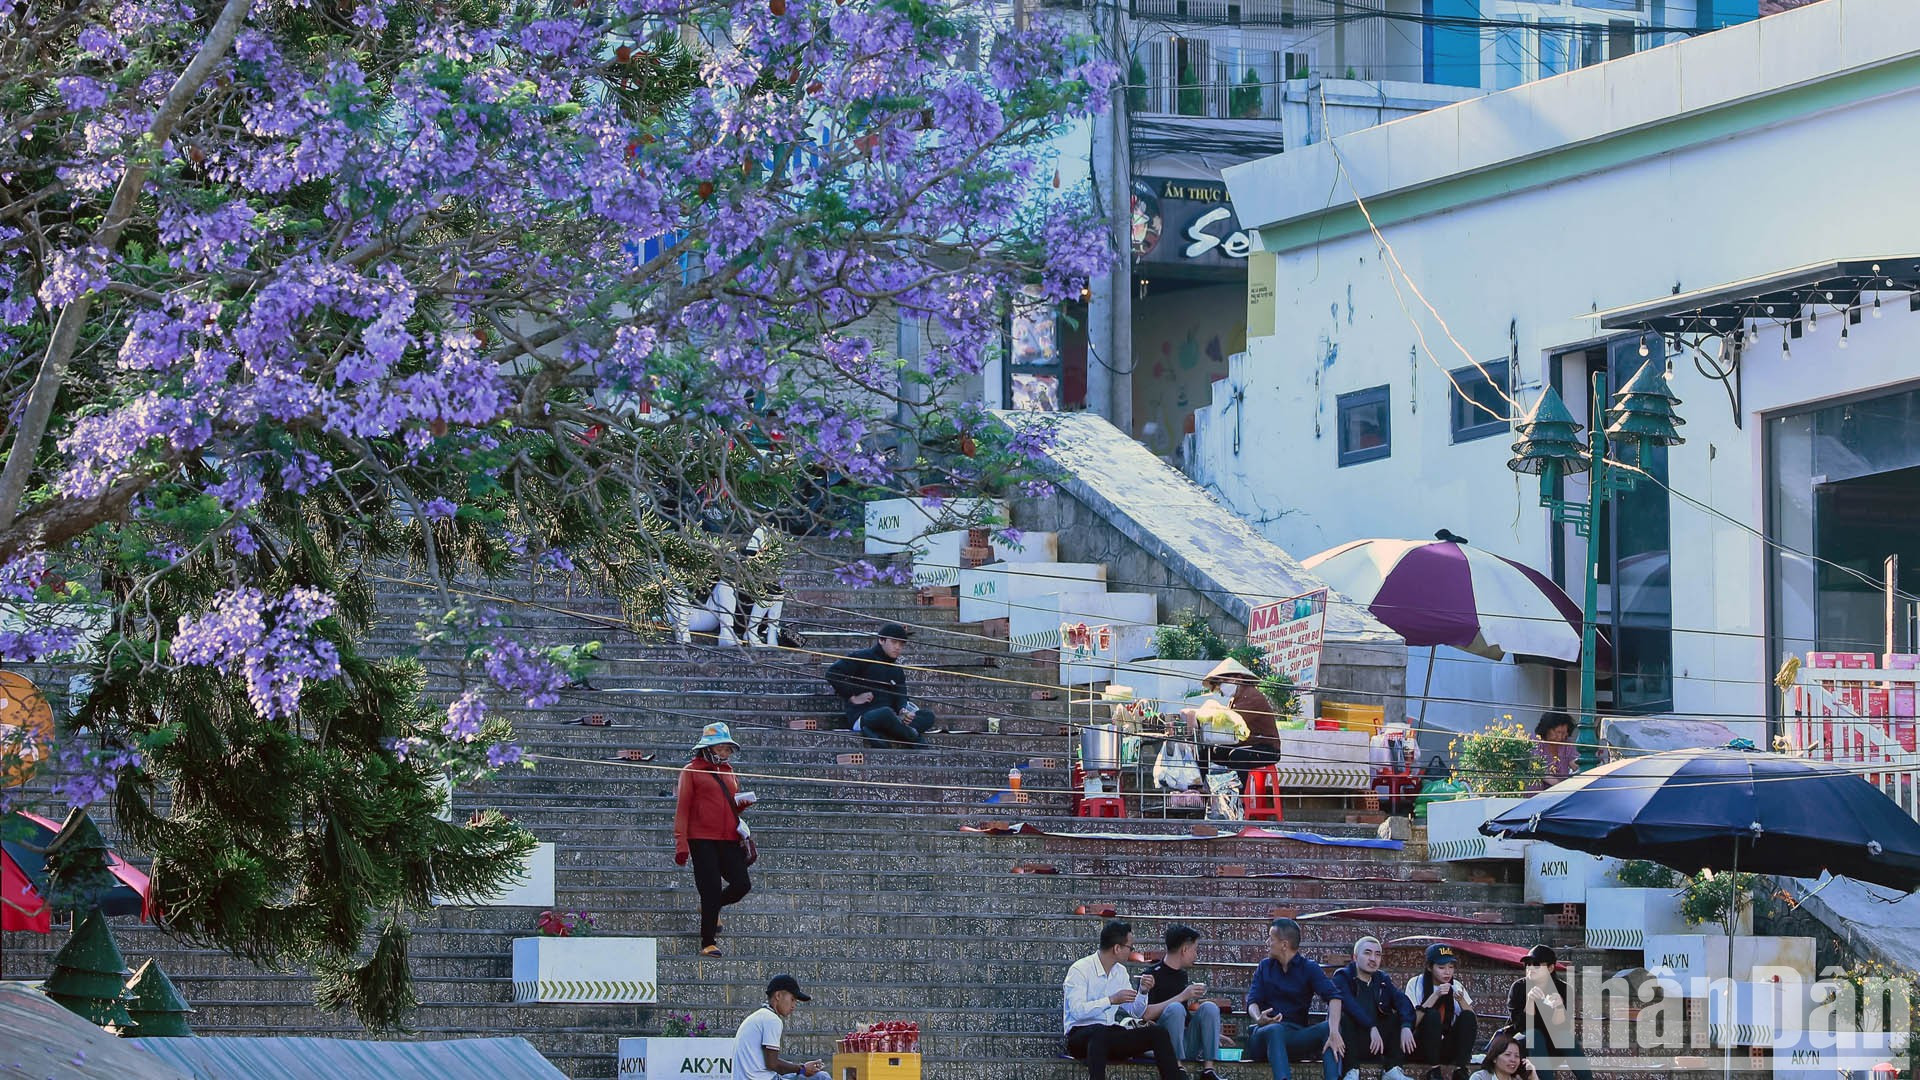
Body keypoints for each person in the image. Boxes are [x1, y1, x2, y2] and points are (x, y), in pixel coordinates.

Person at [1062, 920, 1184, 1080]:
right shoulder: (1080, 969)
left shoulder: (1120, 972)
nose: (1131, 951)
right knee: (1099, 1032)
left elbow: (1135, 1011)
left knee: (1158, 1033)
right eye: (1130, 947)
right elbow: (1077, 1012)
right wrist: (1111, 1000)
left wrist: (1143, 991)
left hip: (1109, 1035)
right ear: (1117, 948)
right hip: (1080, 1037)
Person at [673, 722, 754, 958]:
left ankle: (713, 907)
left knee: (742, 884)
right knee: (710, 889)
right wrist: (681, 843)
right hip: (701, 838)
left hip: (728, 837)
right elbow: (683, 808)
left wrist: (742, 804)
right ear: (707, 748)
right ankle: (708, 942)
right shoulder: (691, 770)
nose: (726, 753)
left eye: (728, 749)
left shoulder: (729, 772)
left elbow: (730, 803)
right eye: (722, 748)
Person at [1245, 917, 1350, 1080]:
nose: (1267, 943)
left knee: (1329, 1029)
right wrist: (1259, 1018)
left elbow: (1335, 997)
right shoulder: (1265, 966)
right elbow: (1252, 1001)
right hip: (1264, 1036)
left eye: (1271, 939)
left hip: (1295, 1036)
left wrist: (1335, 1031)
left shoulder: (1309, 968)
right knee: (1275, 1029)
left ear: (1284, 944)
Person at [825, 622, 941, 747]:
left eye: (901, 644)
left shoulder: (897, 670)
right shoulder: (862, 657)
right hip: (865, 716)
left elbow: (901, 695)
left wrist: (903, 710)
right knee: (885, 714)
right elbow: (832, 673)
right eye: (894, 642)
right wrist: (853, 696)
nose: (898, 647)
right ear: (881, 640)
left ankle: (886, 732)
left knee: (927, 716)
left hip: (893, 718)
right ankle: (913, 737)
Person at [1326, 936, 1417, 1080]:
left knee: (1397, 1017)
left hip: (1376, 1043)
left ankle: (1392, 1069)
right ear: (1355, 957)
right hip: (1350, 1042)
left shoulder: (1382, 979)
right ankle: (1351, 1071)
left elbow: (1402, 1001)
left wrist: (1406, 1026)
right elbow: (1350, 1004)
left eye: (1377, 954)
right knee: (1345, 1018)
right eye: (1367, 953)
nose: (1373, 959)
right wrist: (1371, 1026)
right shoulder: (1342, 977)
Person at [1142, 923, 1222, 1079]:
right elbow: (1145, 1014)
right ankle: (1177, 1068)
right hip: (1163, 1046)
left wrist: (1211, 1031)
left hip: (1185, 1042)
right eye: (1195, 950)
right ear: (1184, 950)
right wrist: (1182, 996)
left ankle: (1208, 1070)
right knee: (1175, 1008)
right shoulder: (1151, 975)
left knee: (1209, 1008)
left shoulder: (1181, 975)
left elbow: (1185, 1018)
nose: (1196, 955)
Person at [1506, 945, 1593, 1080]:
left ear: (1551, 968)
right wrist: (1530, 1001)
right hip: (1522, 1043)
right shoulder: (1518, 987)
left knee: (1565, 1037)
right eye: (1527, 964)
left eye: (1536, 964)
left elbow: (1562, 1027)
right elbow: (1521, 1026)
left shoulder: (1563, 989)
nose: (1530, 968)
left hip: (1550, 1047)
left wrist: (1559, 1007)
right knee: (1535, 1035)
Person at [733, 974, 828, 1080]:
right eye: (792, 999)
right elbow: (773, 1064)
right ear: (778, 996)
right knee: (822, 1077)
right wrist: (802, 1069)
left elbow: (771, 1063)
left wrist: (801, 1068)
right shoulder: (772, 1020)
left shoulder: (761, 1015)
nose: (793, 1006)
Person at [1204, 658, 1283, 784]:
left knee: (1237, 755)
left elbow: (1232, 722)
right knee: (1210, 752)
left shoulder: (1251, 696)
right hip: (1247, 744)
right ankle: (1204, 788)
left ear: (1238, 678)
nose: (1221, 687)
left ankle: (1239, 797)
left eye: (1223, 682)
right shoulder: (1235, 698)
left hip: (1267, 748)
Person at [1407, 943, 1479, 1080]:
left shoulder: (1456, 985)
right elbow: (1412, 1022)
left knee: (1467, 1015)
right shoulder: (1415, 983)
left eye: (1451, 967)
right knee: (1432, 1015)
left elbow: (1471, 1022)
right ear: (1429, 967)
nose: (1447, 972)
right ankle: (1434, 1070)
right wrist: (1436, 995)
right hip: (1421, 1045)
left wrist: (1461, 1000)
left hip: (1446, 1046)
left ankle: (1460, 1069)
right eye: (1441, 967)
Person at [1467, 1031, 1540, 1080]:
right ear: (1494, 1058)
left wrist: (1534, 1077)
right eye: (1508, 1054)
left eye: (1517, 1056)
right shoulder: (1480, 1077)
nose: (1513, 1059)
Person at [1533, 712, 1577, 784]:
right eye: (1557, 732)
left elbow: (1575, 763)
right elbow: (1538, 769)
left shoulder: (1566, 745)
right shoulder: (1535, 742)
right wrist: (1558, 785)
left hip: (1561, 791)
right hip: (1537, 791)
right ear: (1547, 729)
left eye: (1563, 733)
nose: (1560, 737)